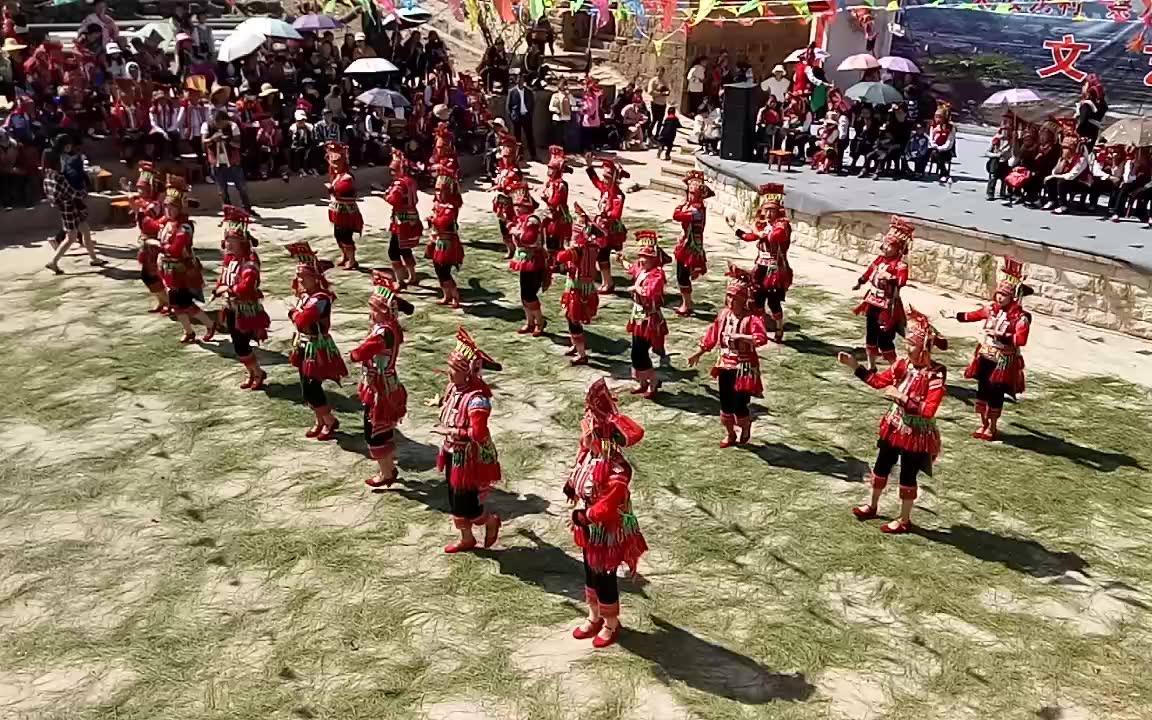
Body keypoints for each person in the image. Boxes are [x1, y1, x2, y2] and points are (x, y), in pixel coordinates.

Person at [837, 307, 948, 534]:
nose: (906, 348)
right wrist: (855, 367)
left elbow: (929, 409)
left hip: (916, 433)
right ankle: (873, 505)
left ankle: (904, 519)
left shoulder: (936, 373)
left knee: (908, 474)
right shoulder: (902, 365)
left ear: (924, 348)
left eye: (911, 344)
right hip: (895, 425)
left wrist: (902, 397)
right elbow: (878, 382)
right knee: (881, 465)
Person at [563, 378, 648, 649]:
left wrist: (584, 516)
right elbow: (580, 475)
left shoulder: (617, 469)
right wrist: (571, 488)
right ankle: (594, 614)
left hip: (606, 528)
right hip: (589, 526)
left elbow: (609, 505)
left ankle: (611, 622)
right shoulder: (589, 456)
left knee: (604, 574)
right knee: (589, 570)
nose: (583, 436)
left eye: (587, 432)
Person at [945, 257, 1031, 441]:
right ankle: (983, 423)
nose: (1000, 297)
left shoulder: (1021, 318)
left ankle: (992, 426)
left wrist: (1003, 336)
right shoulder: (991, 309)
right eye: (999, 293)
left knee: (995, 392)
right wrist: (955, 315)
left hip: (1002, 360)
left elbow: (1020, 339)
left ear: (1012, 297)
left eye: (1004, 295)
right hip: (985, 355)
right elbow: (973, 315)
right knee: (982, 389)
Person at [434, 327, 503, 554]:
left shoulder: (477, 400)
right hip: (452, 453)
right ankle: (466, 538)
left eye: (453, 370)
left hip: (468, 459)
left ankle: (491, 521)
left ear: (467, 373)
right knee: (454, 500)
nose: (449, 373)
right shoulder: (454, 388)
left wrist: (453, 431)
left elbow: (478, 433)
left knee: (469, 506)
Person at [687, 264, 769, 446]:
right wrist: (698, 352)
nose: (731, 301)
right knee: (725, 403)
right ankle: (730, 433)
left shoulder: (751, 319)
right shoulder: (724, 315)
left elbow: (761, 339)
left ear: (744, 300)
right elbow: (712, 334)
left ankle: (745, 427)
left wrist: (740, 336)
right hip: (724, 364)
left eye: (735, 298)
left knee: (740, 405)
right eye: (729, 297)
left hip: (743, 368)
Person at [350, 271, 415, 489]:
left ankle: (386, 472)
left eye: (373, 309)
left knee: (375, 431)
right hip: (382, 383)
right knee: (382, 429)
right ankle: (387, 468)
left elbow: (363, 352)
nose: (370, 313)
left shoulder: (384, 333)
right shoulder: (388, 328)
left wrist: (354, 354)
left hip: (381, 387)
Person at [287, 241, 348, 441]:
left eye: (303, 276)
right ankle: (319, 420)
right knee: (306, 386)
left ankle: (329, 420)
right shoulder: (306, 296)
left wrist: (294, 313)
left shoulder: (320, 299)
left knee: (313, 386)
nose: (299, 280)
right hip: (304, 343)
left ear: (314, 278)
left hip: (317, 346)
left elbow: (303, 319)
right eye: (298, 276)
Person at [145, 176, 215, 343]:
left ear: (180, 208)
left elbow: (175, 250)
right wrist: (143, 211)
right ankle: (189, 331)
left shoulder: (184, 228)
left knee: (186, 304)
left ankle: (210, 324)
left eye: (172, 207)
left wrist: (156, 244)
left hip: (183, 271)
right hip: (170, 271)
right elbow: (150, 225)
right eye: (167, 207)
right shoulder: (166, 222)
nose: (168, 210)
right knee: (176, 305)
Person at [213, 206, 270, 390]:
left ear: (242, 242)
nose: (227, 244)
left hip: (245, 310)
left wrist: (227, 289)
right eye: (227, 240)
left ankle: (258, 372)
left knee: (241, 345)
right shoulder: (230, 260)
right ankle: (253, 372)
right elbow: (223, 277)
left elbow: (246, 287)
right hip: (231, 308)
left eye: (232, 241)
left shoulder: (250, 262)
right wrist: (219, 287)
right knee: (238, 344)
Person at [731, 183, 791, 343]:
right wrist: (737, 231)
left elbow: (773, 237)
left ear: (778, 211)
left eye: (772, 210)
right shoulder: (765, 226)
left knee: (773, 300)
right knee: (756, 297)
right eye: (767, 210)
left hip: (774, 269)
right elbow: (752, 237)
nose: (769, 213)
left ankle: (779, 328)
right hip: (760, 266)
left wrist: (757, 232)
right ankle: (760, 327)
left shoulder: (783, 225)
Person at [852, 216, 912, 369]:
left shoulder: (900, 265)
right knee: (871, 334)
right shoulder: (880, 260)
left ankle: (895, 368)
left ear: (898, 248)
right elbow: (869, 271)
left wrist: (890, 277)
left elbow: (902, 281)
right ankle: (871, 366)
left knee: (885, 338)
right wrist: (860, 281)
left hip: (887, 305)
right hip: (872, 301)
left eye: (889, 245)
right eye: (885, 244)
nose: (885, 248)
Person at [617, 230, 669, 399]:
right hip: (639, 314)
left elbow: (650, 292)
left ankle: (653, 381)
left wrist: (636, 289)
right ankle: (642, 382)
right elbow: (632, 269)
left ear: (654, 259)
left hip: (650, 318)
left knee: (641, 351)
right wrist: (622, 260)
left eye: (645, 257)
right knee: (635, 349)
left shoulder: (657, 274)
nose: (641, 260)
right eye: (641, 256)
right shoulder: (642, 269)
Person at [41, 143, 104, 274]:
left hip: (67, 207)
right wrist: (84, 193)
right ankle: (54, 261)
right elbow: (72, 193)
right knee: (71, 237)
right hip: (68, 208)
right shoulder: (59, 177)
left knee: (85, 230)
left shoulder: (48, 175)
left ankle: (94, 258)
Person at [557, 203, 602, 366]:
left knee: (573, 319)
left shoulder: (579, 249)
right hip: (585, 285)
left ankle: (582, 354)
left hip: (576, 287)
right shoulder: (594, 246)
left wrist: (565, 247)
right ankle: (575, 346)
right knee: (571, 317)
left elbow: (561, 257)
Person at [508, 181, 549, 336]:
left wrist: (515, 232)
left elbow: (528, 239)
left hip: (534, 261)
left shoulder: (532, 220)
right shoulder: (521, 220)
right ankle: (529, 321)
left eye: (519, 206)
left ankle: (539, 321)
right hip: (525, 261)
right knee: (524, 294)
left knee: (530, 294)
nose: (516, 209)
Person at [671, 170, 712, 317]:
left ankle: (687, 303)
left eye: (693, 193)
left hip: (691, 246)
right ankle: (686, 302)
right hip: (687, 243)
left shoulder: (697, 210)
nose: (689, 196)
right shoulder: (693, 207)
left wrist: (680, 206)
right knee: (681, 274)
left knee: (682, 275)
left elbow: (677, 216)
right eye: (689, 192)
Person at [586, 156, 628, 293]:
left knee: (603, 255)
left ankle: (608, 282)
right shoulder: (605, 189)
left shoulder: (618, 195)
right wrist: (589, 166)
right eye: (604, 177)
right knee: (601, 256)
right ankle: (606, 281)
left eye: (608, 177)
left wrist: (606, 215)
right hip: (602, 227)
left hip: (610, 230)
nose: (604, 180)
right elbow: (595, 181)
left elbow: (616, 213)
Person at [131, 161, 167, 313]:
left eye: (142, 188)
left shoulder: (155, 205)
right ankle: (161, 301)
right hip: (146, 242)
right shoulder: (144, 203)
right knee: (147, 275)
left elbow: (152, 223)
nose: (139, 191)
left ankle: (168, 302)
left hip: (155, 242)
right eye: (138, 188)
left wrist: (139, 207)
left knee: (154, 275)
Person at [202, 109, 255, 214]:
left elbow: (238, 145)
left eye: (221, 123)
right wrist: (213, 139)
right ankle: (228, 210)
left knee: (242, 187)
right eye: (217, 123)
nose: (219, 126)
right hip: (216, 162)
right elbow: (204, 143)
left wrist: (227, 140)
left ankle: (247, 208)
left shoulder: (233, 126)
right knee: (222, 190)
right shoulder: (206, 126)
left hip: (233, 161)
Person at [384, 152, 423, 287]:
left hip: (401, 220)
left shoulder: (400, 183)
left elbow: (393, 199)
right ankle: (412, 276)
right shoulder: (411, 181)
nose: (392, 173)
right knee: (405, 249)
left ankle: (400, 280)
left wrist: (385, 195)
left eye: (394, 170)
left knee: (393, 251)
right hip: (412, 216)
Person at [427, 192, 464, 308]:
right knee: (438, 269)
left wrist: (433, 219)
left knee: (445, 271)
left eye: (440, 190)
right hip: (439, 241)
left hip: (448, 243)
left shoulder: (450, 208)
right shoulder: (437, 205)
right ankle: (446, 295)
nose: (438, 193)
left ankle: (455, 296)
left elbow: (442, 222)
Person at [1042, 131, 1089, 215]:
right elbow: (1054, 172)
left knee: (1061, 182)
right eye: (1063, 147)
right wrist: (1062, 163)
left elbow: (1071, 176)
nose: (1064, 150)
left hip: (1082, 183)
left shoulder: (1081, 159)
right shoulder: (1063, 158)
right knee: (1050, 180)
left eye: (1067, 148)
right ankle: (1052, 201)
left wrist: (1054, 176)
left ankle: (1063, 206)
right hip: (1069, 181)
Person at [542, 145, 572, 269]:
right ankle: (553, 262)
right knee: (550, 239)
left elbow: (555, 201)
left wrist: (545, 198)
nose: (549, 171)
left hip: (559, 217)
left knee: (557, 240)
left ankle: (561, 263)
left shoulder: (561, 185)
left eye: (552, 169)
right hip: (551, 215)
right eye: (548, 168)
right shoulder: (550, 183)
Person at [492, 133, 521, 258]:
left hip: (511, 204)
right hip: (501, 204)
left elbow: (516, 188)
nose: (505, 159)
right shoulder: (501, 170)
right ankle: (510, 248)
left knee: (512, 226)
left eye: (508, 156)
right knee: (503, 227)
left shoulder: (515, 172)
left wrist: (502, 189)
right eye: (504, 156)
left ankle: (517, 248)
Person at [506, 74, 537, 162]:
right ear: (516, 81)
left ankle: (533, 155)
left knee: (529, 136)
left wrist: (530, 113)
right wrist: (512, 116)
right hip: (517, 117)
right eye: (519, 80)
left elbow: (532, 103)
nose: (521, 82)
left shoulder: (528, 91)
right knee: (517, 137)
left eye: (522, 80)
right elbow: (508, 106)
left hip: (526, 116)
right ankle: (519, 155)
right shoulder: (512, 92)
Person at [985, 113, 1014, 201]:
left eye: (1007, 129)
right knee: (993, 175)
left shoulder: (1012, 140)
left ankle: (1003, 192)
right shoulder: (996, 139)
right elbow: (987, 152)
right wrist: (996, 155)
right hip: (995, 161)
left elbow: (1013, 153)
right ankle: (990, 192)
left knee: (1005, 176)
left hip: (1006, 162)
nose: (1005, 131)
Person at [928, 101, 956, 184]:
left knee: (938, 154)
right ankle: (945, 173)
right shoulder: (933, 126)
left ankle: (943, 174)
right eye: (936, 117)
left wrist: (941, 148)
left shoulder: (950, 128)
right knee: (934, 152)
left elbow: (950, 142)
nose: (937, 119)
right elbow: (931, 139)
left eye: (940, 117)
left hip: (946, 151)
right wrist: (935, 145)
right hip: (934, 148)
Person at [1075, 74, 1107, 144]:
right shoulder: (1100, 105)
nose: (1082, 87)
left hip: (1084, 136)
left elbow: (1082, 121)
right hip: (1094, 135)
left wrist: (1077, 131)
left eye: (1084, 85)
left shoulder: (1086, 105)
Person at [646, 67, 670, 142]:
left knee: (660, 120)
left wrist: (666, 93)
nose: (660, 73)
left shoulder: (665, 81)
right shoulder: (653, 81)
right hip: (655, 102)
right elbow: (650, 92)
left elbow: (668, 90)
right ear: (656, 72)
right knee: (654, 120)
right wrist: (660, 93)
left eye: (662, 72)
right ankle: (649, 134)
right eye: (659, 72)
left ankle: (657, 135)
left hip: (663, 103)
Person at [548, 78, 572, 149]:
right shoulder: (555, 96)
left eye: (565, 85)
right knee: (557, 137)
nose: (563, 87)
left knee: (565, 136)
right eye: (562, 85)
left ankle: (565, 151)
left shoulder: (568, 96)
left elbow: (573, 103)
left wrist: (569, 94)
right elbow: (550, 107)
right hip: (557, 118)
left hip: (566, 118)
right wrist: (556, 110)